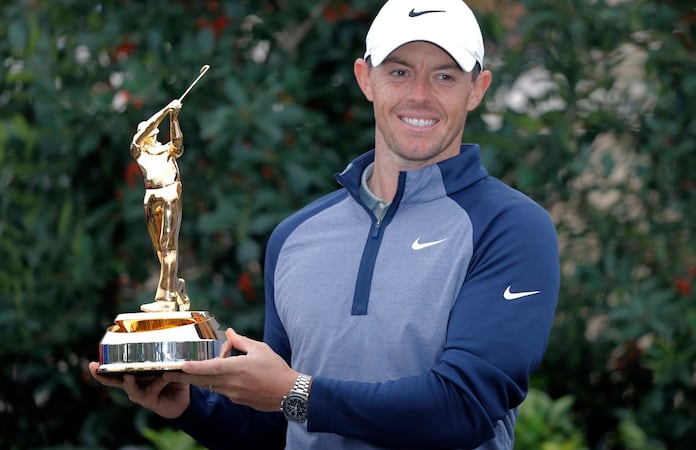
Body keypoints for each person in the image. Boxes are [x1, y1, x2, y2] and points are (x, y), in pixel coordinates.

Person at [89, 0, 560, 448]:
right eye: (399, 71)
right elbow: (283, 428)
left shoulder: (511, 227)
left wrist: (295, 393)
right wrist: (189, 406)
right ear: (365, 79)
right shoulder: (295, 236)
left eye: (444, 75)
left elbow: (464, 405)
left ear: (477, 90)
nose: (420, 94)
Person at [130, 98, 191, 312]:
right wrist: (165, 109)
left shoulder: (166, 150)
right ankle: (176, 285)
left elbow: (177, 142)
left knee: (168, 244)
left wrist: (173, 117)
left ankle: (165, 298)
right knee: (159, 248)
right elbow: (143, 131)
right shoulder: (139, 151)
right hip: (151, 197)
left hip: (170, 193)